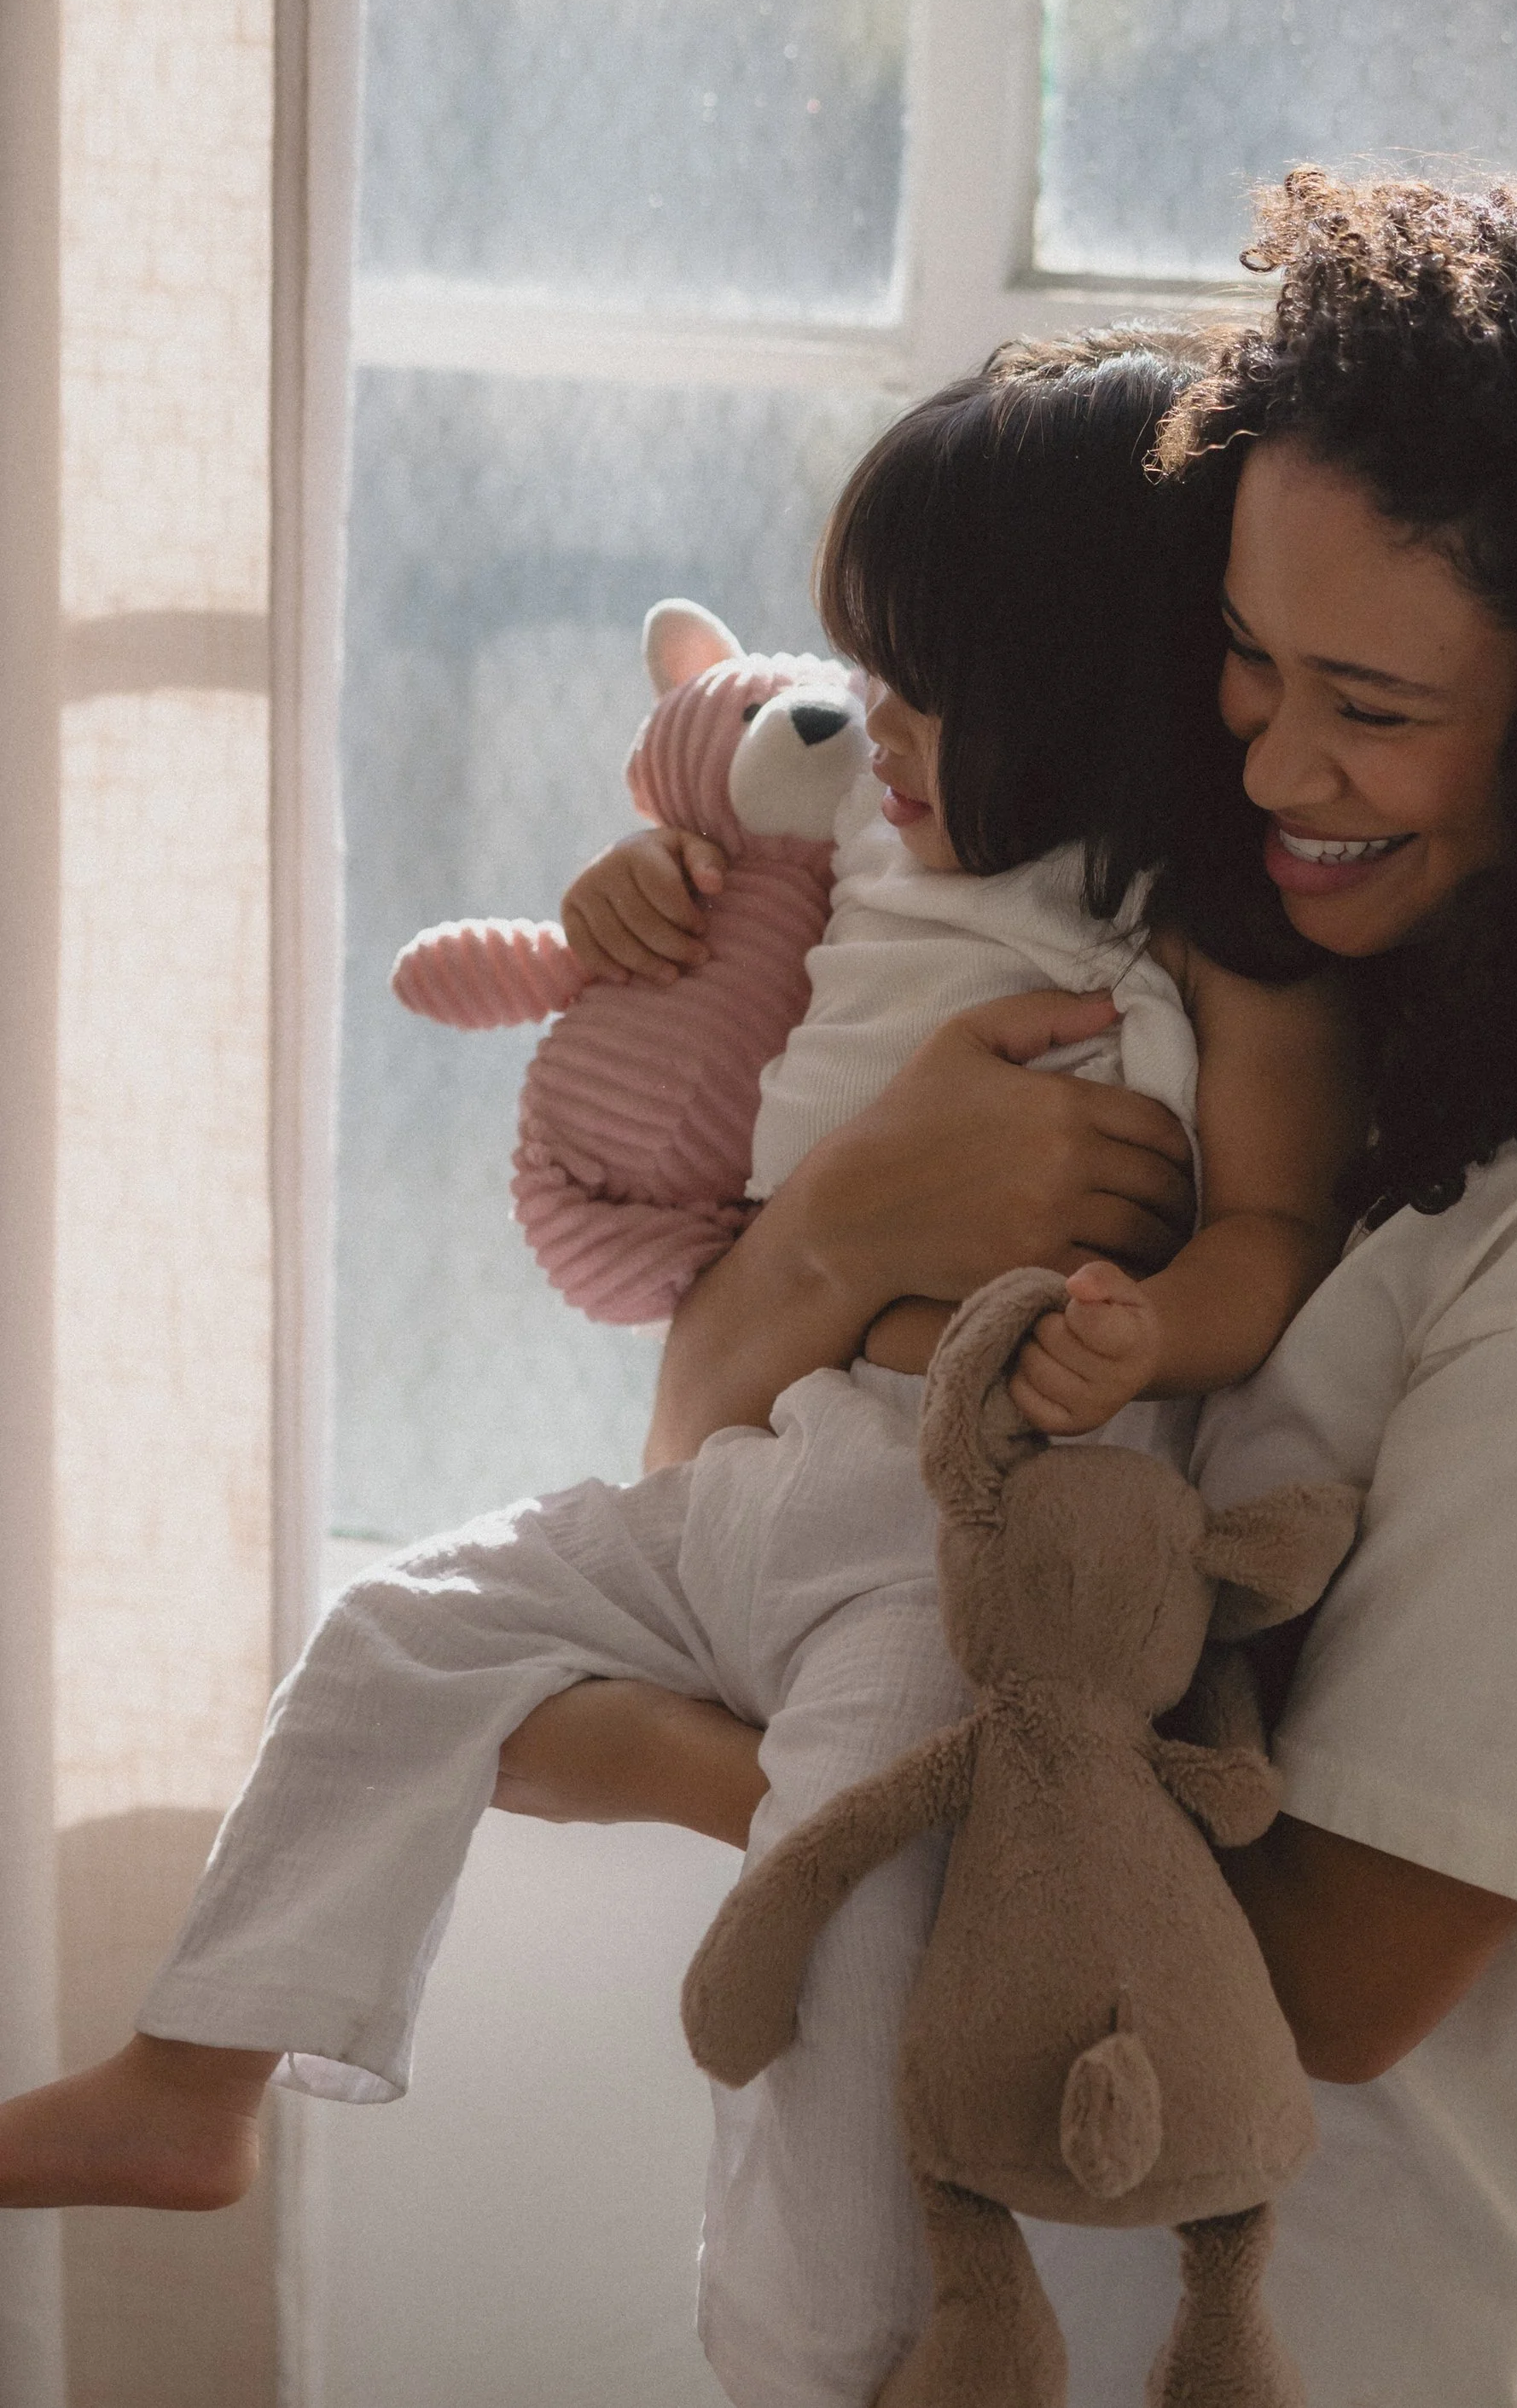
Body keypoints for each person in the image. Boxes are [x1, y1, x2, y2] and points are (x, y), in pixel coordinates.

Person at [495, 169, 1517, 2406]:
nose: (1268, 759)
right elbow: (748, 1504)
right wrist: (834, 1229)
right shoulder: (1269, 1017)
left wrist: (665, 1759)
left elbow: (1334, 1971)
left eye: (1371, 704)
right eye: (1239, 653)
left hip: (1414, 2333)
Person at [0, 333, 1365, 2408]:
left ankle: (822, 2361)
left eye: (934, 691)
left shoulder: (1204, 938)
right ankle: (195, 2077)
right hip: (754, 1459)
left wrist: (1155, 1328)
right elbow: (700, 850)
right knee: (399, 1625)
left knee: (849, 1940)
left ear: (1105, 692)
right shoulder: (868, 832)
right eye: (868, 675)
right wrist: (628, 887)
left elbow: (1269, 1230)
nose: (878, 727)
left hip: (945, 1545)